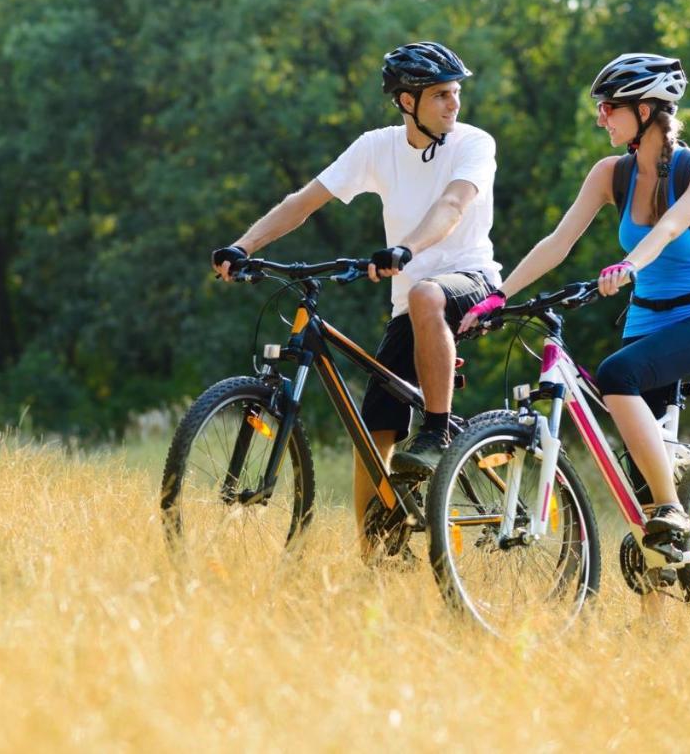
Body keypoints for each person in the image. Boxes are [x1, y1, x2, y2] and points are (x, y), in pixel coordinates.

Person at [212, 41, 501, 547]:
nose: (454, 103)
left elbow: (454, 204)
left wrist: (405, 249)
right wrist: (242, 246)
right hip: (410, 299)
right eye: (440, 95)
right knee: (375, 434)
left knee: (427, 295)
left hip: (471, 282)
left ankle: (436, 433)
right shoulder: (376, 147)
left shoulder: (474, 143)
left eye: (455, 92)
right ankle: (377, 557)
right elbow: (304, 202)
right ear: (407, 101)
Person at [459, 52, 690, 542]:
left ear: (645, 110)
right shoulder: (611, 173)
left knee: (614, 375)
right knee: (640, 479)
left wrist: (629, 265)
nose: (601, 116)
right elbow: (557, 243)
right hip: (643, 322)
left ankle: (671, 507)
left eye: (610, 107)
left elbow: (669, 227)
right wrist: (497, 297)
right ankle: (660, 568)